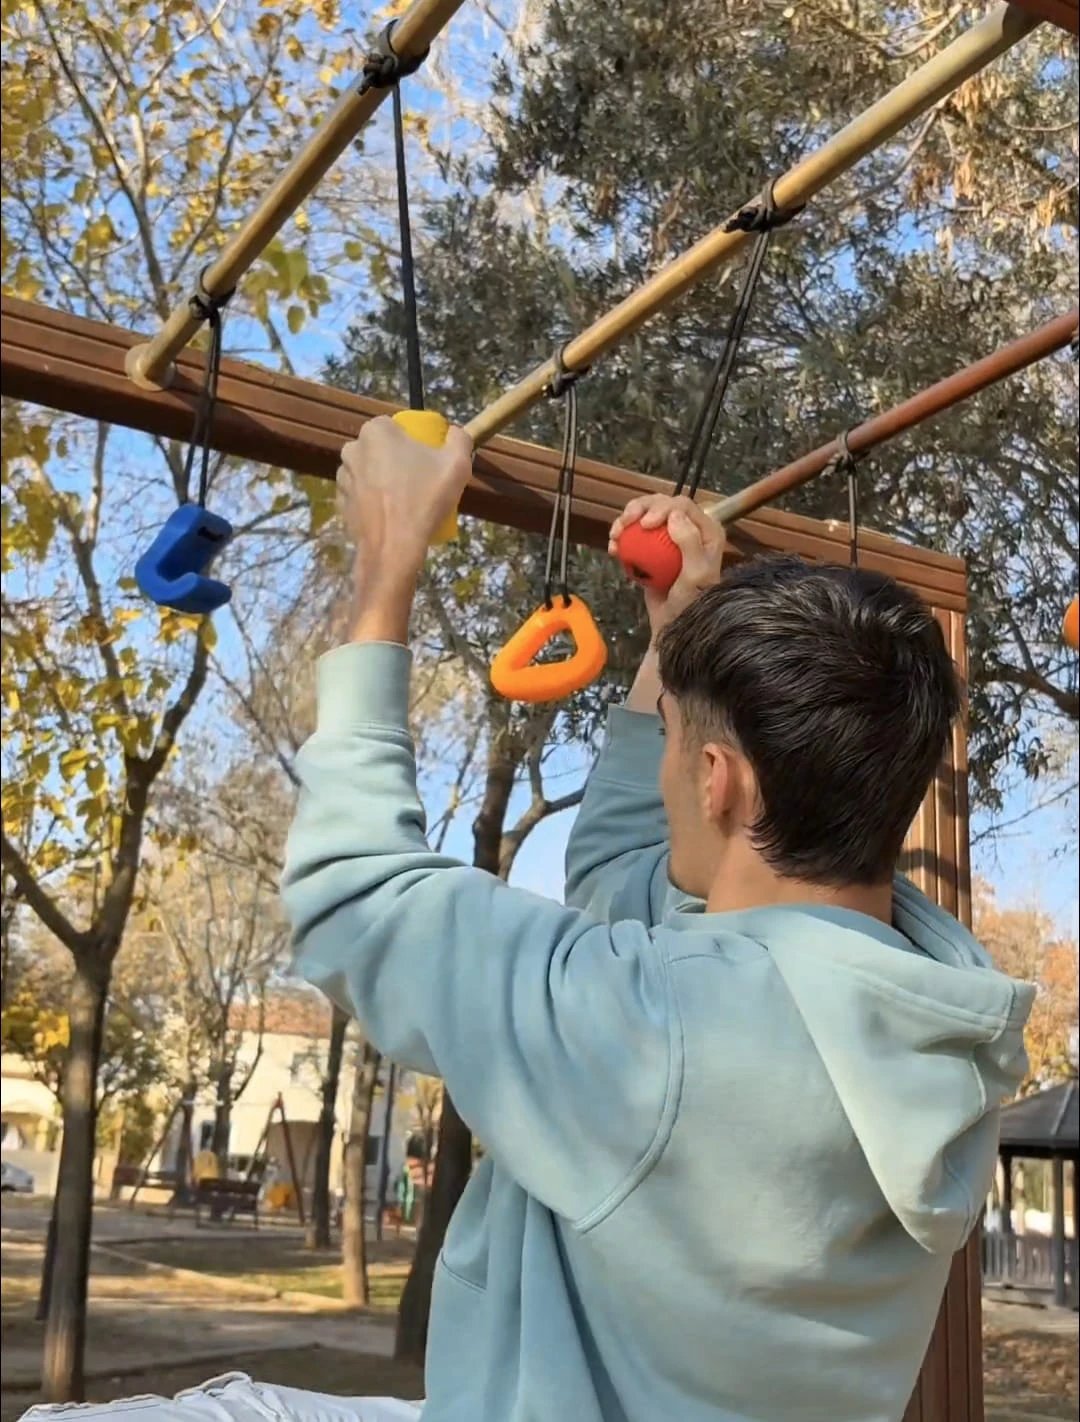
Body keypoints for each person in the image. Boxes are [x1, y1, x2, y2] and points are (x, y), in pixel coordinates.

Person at [28, 420, 1032, 1422]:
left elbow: (352, 896)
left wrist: (386, 561)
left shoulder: (658, 1030)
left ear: (719, 783)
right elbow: (632, 887)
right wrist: (675, 639)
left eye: (674, 741)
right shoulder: (928, 1010)